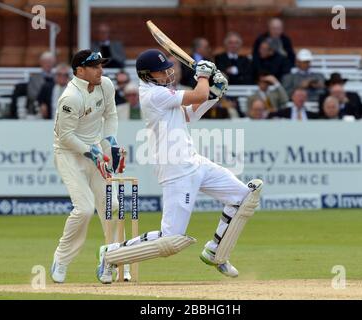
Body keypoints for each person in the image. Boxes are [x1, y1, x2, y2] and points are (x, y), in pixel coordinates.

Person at [96, 49, 263, 284]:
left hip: (194, 162)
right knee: (171, 239)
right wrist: (204, 77)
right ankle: (111, 254)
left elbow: (190, 114)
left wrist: (213, 93)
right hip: (176, 170)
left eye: (167, 68)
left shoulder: (162, 93)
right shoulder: (153, 94)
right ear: (147, 75)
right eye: (161, 70)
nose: (167, 73)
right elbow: (198, 95)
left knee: (245, 197)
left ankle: (216, 251)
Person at [51, 50, 127, 284]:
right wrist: (92, 152)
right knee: (83, 209)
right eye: (94, 66)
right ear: (80, 70)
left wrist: (110, 141)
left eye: (101, 65)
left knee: (112, 205)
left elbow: (111, 115)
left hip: (95, 150)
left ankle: (109, 260)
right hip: (69, 154)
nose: (100, 70)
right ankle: (61, 259)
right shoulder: (70, 97)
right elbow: (65, 137)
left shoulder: (105, 85)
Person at [27, 51, 56, 115]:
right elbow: (31, 94)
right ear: (41, 63)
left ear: (53, 63)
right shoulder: (34, 78)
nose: (48, 64)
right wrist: (42, 102)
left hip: (54, 105)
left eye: (50, 62)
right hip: (38, 107)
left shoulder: (57, 78)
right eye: (46, 62)